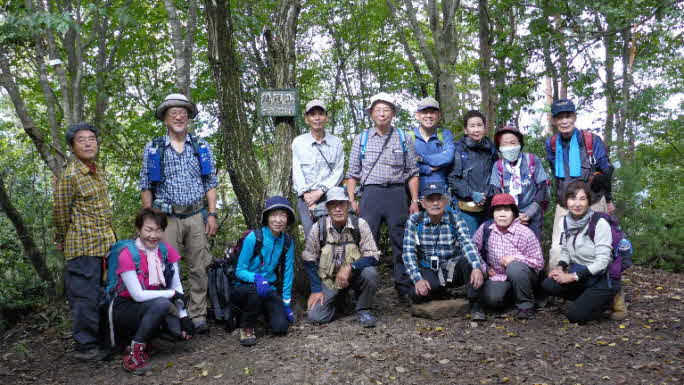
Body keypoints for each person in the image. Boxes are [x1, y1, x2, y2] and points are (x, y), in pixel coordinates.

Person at [139, 94, 219, 333]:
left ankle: (198, 315)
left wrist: (212, 214)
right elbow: (146, 185)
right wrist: (149, 220)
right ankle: (172, 315)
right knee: (165, 268)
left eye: (183, 112)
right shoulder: (154, 148)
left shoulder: (201, 146)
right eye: (173, 112)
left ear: (189, 118)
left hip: (196, 215)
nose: (178, 116)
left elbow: (210, 182)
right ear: (165, 118)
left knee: (199, 266)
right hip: (166, 218)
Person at [544, 99, 624, 319]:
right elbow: (555, 172)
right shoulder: (551, 144)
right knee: (558, 248)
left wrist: (608, 199)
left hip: (593, 198)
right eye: (560, 117)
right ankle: (568, 290)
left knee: (602, 249)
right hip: (566, 201)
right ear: (554, 121)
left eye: (568, 116)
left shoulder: (590, 140)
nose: (565, 120)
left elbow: (606, 170)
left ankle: (614, 295)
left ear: (575, 117)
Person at [346, 92, 420, 303]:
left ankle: (404, 288)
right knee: (368, 242)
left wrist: (414, 201)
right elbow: (352, 174)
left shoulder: (404, 138)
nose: (382, 113)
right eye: (377, 110)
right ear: (371, 114)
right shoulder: (361, 139)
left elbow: (413, 172)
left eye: (386, 109)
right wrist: (352, 200)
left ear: (393, 113)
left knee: (401, 241)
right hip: (371, 194)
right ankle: (363, 290)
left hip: (397, 193)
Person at [54, 122, 116, 360]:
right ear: (72, 146)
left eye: (92, 138)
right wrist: (61, 238)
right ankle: (85, 347)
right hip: (82, 247)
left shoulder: (96, 170)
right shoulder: (69, 175)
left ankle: (102, 341)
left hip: (103, 245)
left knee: (102, 295)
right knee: (85, 298)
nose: (88, 143)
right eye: (81, 139)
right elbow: (60, 213)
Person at [112, 208, 194, 375]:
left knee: (179, 333)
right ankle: (134, 352)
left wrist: (184, 316)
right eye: (148, 230)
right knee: (162, 304)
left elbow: (176, 286)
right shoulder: (128, 255)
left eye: (158, 230)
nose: (153, 235)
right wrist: (170, 294)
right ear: (139, 229)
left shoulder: (165, 251)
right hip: (126, 308)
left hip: (153, 304)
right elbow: (138, 295)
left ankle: (148, 336)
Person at [402, 183, 486, 321]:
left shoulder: (455, 218)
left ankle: (476, 303)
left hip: (452, 267)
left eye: (439, 199)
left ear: (446, 201)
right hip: (429, 267)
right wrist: (418, 279)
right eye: (430, 199)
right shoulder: (415, 221)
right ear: (422, 203)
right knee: (417, 294)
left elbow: (467, 244)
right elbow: (408, 252)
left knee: (469, 262)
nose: (435, 203)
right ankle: (440, 290)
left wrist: (477, 267)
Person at [541, 181, 620, 324]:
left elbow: (602, 262)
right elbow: (565, 250)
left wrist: (572, 276)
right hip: (582, 275)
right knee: (549, 284)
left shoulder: (599, 223)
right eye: (572, 198)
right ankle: (587, 299)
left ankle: (607, 299)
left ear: (589, 201)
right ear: (566, 201)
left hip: (601, 278)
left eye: (582, 199)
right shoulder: (565, 222)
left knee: (575, 316)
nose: (577, 204)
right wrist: (560, 267)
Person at [302, 187, 380, 327]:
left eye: (341, 204)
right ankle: (342, 301)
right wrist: (316, 290)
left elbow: (373, 255)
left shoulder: (359, 224)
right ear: (327, 208)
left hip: (354, 274)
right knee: (316, 316)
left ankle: (363, 309)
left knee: (370, 273)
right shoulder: (318, 227)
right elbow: (308, 259)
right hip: (329, 279)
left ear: (348, 205)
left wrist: (350, 267)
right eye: (333, 204)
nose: (338, 209)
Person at [233, 196, 295, 346]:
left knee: (280, 327)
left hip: (269, 288)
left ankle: (263, 316)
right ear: (267, 217)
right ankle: (246, 327)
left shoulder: (287, 241)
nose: (278, 220)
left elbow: (288, 271)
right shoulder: (254, 237)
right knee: (254, 291)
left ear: (287, 219)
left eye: (283, 215)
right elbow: (239, 270)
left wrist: (286, 301)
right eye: (274, 215)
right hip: (244, 287)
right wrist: (257, 278)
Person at [472, 194, 544, 319]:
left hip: (523, 275)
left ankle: (525, 305)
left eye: (507, 210)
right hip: (498, 276)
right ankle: (511, 295)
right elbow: (473, 250)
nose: (502, 214)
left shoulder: (524, 232)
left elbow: (539, 262)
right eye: (498, 210)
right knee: (493, 300)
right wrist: (484, 267)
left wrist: (515, 258)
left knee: (514, 267)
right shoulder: (486, 228)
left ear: (514, 213)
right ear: (493, 213)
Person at [292, 99, 345, 238]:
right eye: (312, 114)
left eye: (321, 114)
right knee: (312, 237)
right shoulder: (298, 142)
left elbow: (338, 172)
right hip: (306, 198)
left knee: (334, 235)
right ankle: (313, 261)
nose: (317, 118)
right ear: (306, 119)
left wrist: (320, 191)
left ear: (326, 117)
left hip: (330, 196)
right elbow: (296, 170)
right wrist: (307, 196)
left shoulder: (336, 142)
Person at [489, 125, 550, 241]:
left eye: (512, 143)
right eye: (505, 144)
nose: (509, 147)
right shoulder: (498, 166)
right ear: (499, 147)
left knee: (533, 249)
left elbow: (542, 187)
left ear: (520, 144)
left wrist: (530, 212)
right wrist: (510, 214)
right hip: (508, 217)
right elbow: (496, 192)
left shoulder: (531, 160)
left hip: (533, 215)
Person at [449, 110, 498, 236]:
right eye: (472, 126)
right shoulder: (459, 149)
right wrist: (472, 194)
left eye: (479, 125)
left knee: (489, 244)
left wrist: (487, 193)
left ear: (485, 128)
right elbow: (453, 178)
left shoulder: (491, 149)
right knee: (472, 244)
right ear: (466, 130)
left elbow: (496, 175)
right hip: (466, 207)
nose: (476, 129)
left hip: (488, 205)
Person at [411, 97, 455, 192]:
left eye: (432, 112)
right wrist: (428, 168)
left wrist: (421, 158)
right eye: (424, 112)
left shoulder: (445, 134)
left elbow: (448, 157)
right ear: (417, 115)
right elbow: (408, 165)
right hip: (416, 192)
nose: (429, 115)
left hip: (442, 192)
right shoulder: (409, 137)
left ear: (439, 115)